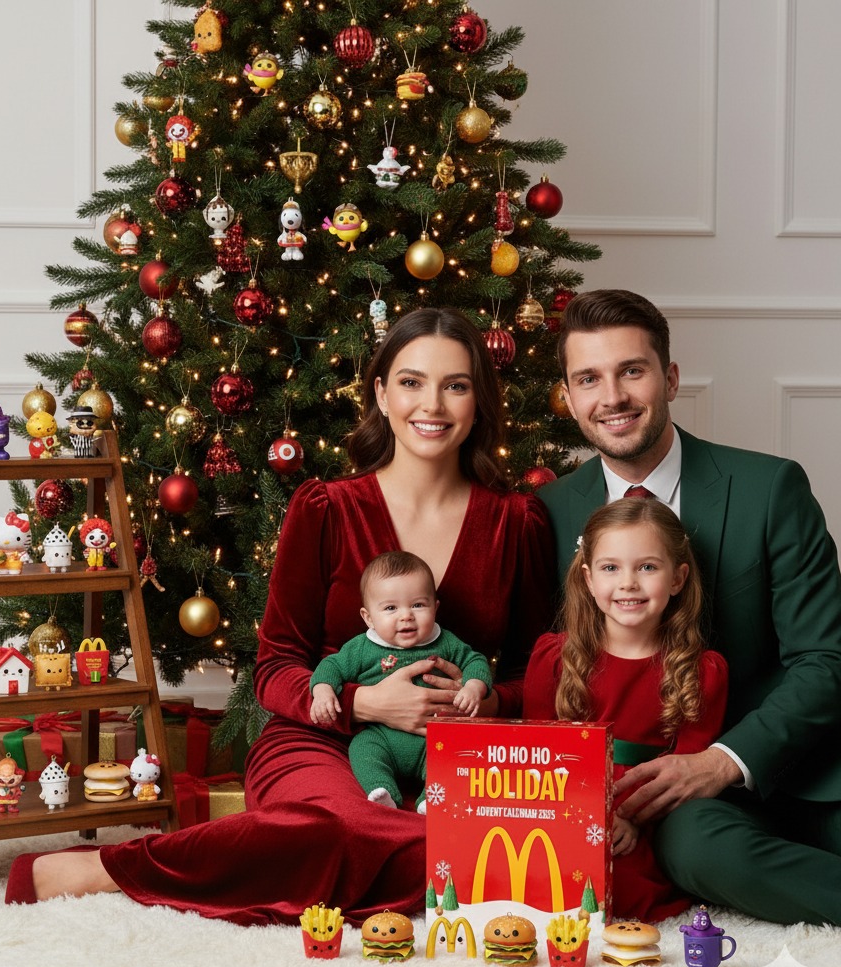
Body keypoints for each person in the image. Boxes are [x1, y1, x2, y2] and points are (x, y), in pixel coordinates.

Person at [6, 307, 555, 923]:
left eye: (455, 385)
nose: (432, 404)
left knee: (486, 849)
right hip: (318, 739)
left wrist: (484, 701)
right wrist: (365, 704)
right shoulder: (326, 508)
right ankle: (111, 870)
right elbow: (275, 668)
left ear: (478, 401)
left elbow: (535, 676)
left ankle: (377, 848)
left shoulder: (517, 522)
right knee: (338, 828)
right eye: (411, 382)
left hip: (461, 753)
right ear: (381, 393)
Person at [539, 288, 841, 925]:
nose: (612, 397)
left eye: (632, 370)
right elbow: (545, 671)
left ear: (670, 378)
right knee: (700, 848)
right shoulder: (549, 510)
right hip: (678, 811)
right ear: (568, 396)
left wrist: (723, 761)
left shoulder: (769, 487)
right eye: (588, 379)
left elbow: (825, 659)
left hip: (793, 767)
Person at [524, 498, 728, 922]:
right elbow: (535, 756)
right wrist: (583, 815)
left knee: (622, 880)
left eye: (647, 567)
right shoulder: (554, 658)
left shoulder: (702, 670)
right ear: (588, 578)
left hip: (647, 815)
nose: (628, 583)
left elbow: (685, 773)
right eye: (611, 568)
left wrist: (631, 819)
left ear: (678, 578)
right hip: (564, 805)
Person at [309, 550, 493, 812]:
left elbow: (475, 661)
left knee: (455, 753)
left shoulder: (445, 642)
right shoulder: (362, 648)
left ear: (435, 607)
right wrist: (323, 690)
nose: (406, 616)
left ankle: (431, 798)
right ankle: (382, 791)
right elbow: (332, 666)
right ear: (369, 617)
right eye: (390, 608)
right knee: (362, 749)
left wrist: (474, 685)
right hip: (381, 735)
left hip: (434, 737)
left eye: (418, 605)